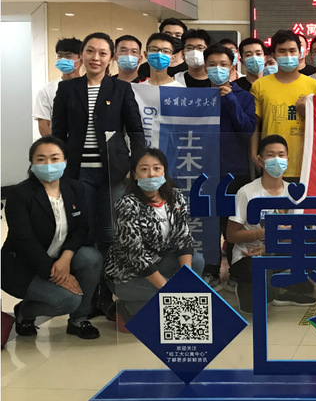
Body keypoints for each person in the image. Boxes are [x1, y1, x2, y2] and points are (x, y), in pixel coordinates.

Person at [51, 32, 146, 317]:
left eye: (103, 53)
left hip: (113, 174)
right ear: (82, 55)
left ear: (111, 58)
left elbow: (135, 130)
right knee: (84, 233)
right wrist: (57, 167)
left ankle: (106, 292)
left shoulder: (121, 89)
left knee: (108, 235)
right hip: (77, 174)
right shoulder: (67, 89)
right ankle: (87, 293)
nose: (96, 58)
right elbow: (58, 133)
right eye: (90, 51)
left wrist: (135, 166)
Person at [2, 137, 103, 339]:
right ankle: (25, 311)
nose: (48, 164)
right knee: (67, 300)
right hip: (23, 266)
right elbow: (24, 241)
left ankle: (78, 320)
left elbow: (81, 228)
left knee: (91, 258)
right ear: (32, 163)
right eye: (41, 159)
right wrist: (56, 274)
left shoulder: (75, 188)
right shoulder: (19, 194)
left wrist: (66, 258)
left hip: (58, 258)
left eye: (55, 158)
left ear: (64, 161)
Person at [105, 148, 204, 327]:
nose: (151, 174)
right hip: (127, 274)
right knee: (173, 296)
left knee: (196, 261)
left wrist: (187, 279)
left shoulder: (175, 197)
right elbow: (136, 256)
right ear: (134, 175)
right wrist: (168, 289)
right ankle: (125, 307)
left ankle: (151, 305)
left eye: (157, 168)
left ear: (164, 171)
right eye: (144, 169)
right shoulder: (127, 205)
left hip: (158, 262)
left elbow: (183, 237)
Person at [227, 135, 316, 313]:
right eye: (270, 155)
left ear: (288, 160)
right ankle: (265, 287)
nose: (277, 159)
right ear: (261, 160)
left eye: (281, 155)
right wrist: (264, 233)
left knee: (306, 282)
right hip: (248, 256)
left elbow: (299, 233)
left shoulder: (293, 192)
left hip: (276, 251)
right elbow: (231, 235)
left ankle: (279, 288)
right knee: (254, 304)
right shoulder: (247, 192)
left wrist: (268, 248)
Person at [200, 44, 257, 289]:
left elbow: (247, 131)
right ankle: (210, 269)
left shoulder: (244, 96)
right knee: (208, 222)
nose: (217, 69)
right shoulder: (196, 97)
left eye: (223, 64)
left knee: (233, 222)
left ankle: (235, 270)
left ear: (232, 67)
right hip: (204, 170)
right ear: (205, 67)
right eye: (212, 65)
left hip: (235, 170)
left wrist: (230, 99)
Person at [250, 30, 316, 181]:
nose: (288, 55)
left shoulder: (315, 86)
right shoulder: (260, 85)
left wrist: (309, 111)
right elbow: (255, 124)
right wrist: (254, 155)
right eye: (282, 51)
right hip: (270, 163)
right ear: (273, 55)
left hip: (305, 164)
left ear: (300, 53)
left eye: (292, 50)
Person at [33, 37, 82, 137]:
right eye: (60, 56)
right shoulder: (47, 90)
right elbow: (43, 125)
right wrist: (56, 144)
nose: (63, 59)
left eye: (68, 56)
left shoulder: (89, 86)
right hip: (58, 142)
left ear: (81, 58)